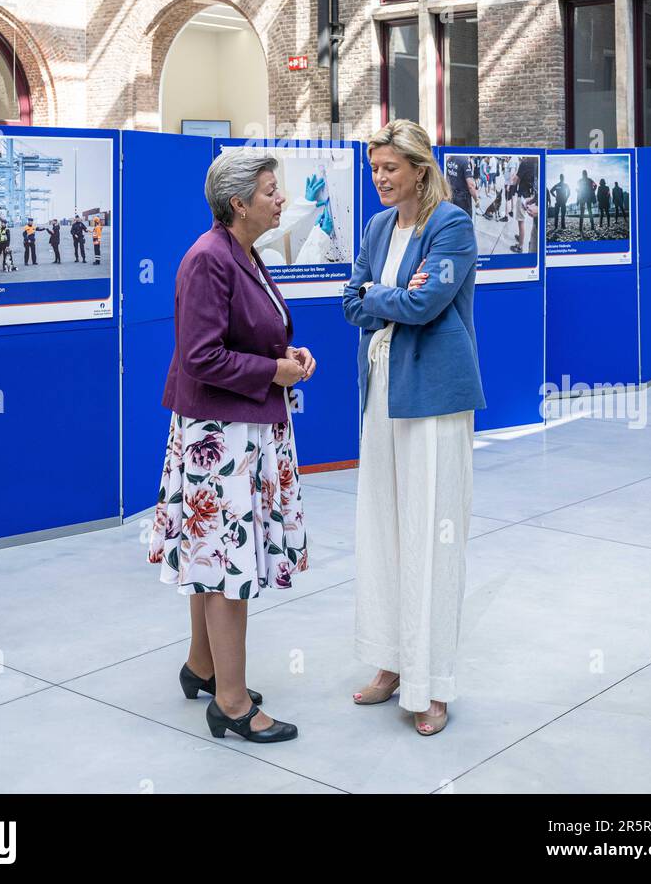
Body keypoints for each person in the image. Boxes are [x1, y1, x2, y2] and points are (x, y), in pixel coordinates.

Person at [148, 149, 317, 746]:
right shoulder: (208, 259)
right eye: (272, 191)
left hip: (239, 429)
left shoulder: (241, 253)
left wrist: (290, 359)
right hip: (219, 439)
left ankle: (202, 666)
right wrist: (273, 372)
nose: (281, 199)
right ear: (238, 203)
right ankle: (233, 702)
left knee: (211, 559)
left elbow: (254, 335)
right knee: (227, 567)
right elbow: (201, 356)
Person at [343, 120, 485, 736]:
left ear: (420, 170)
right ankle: (393, 663)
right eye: (374, 169)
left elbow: (426, 306)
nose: (379, 179)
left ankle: (433, 685)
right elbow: (351, 300)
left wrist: (383, 294)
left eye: (389, 169)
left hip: (432, 396)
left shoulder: (450, 224)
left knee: (432, 533)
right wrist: (386, 293)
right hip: (381, 394)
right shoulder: (378, 227)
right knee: (383, 528)